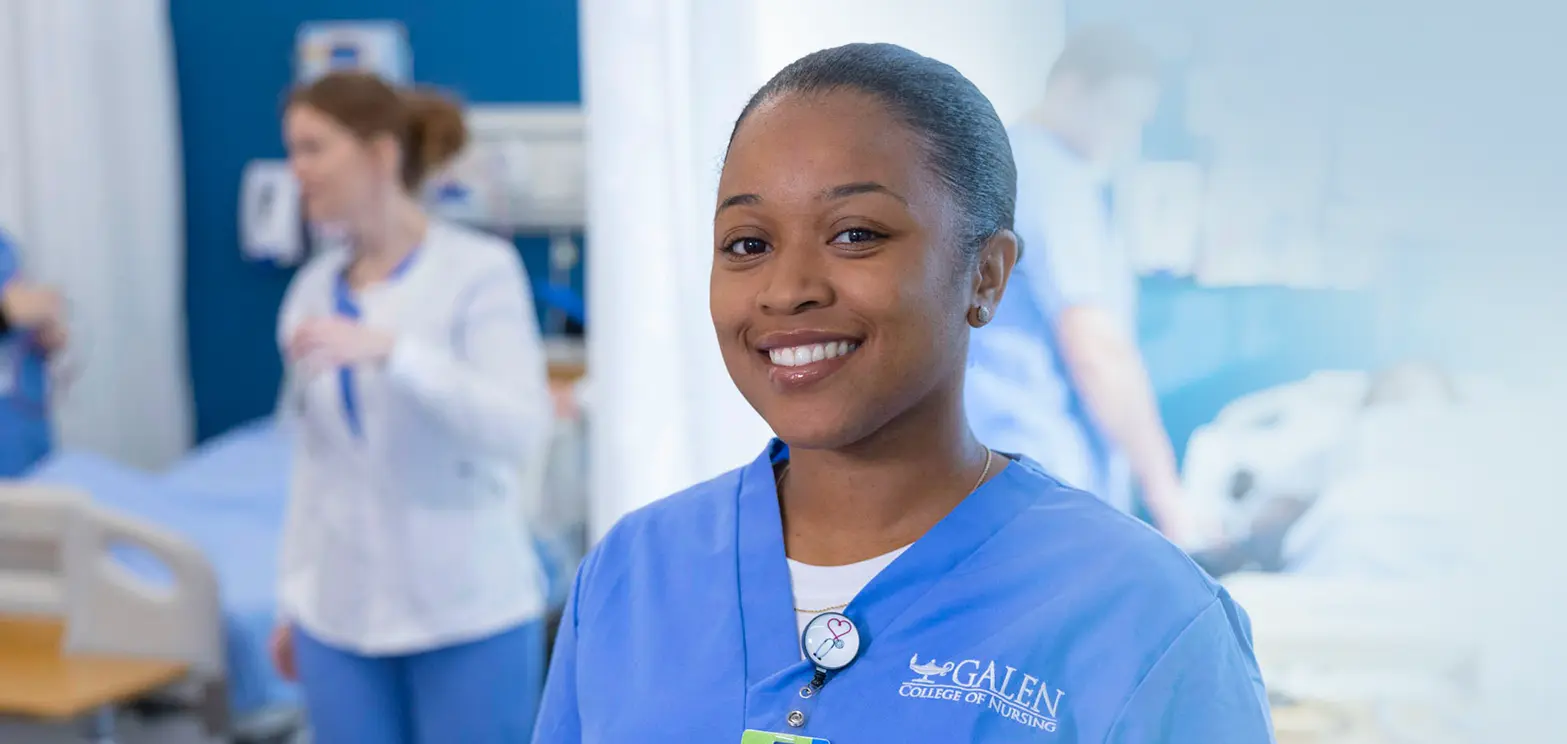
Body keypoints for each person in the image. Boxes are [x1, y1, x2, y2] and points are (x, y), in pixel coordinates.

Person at [534, 43, 1273, 743]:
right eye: (748, 244)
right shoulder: (634, 574)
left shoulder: (1141, 614)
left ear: (986, 276)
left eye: (855, 234)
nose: (788, 290)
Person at [268, 72, 552, 744]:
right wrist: (292, 599)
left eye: (313, 148)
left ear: (380, 154)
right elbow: (314, 466)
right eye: (292, 150)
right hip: (337, 617)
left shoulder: (479, 272)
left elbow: (517, 426)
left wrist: (395, 354)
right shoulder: (310, 292)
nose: (296, 170)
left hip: (467, 612)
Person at [963, 27, 1200, 544]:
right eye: (1118, 115)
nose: (1122, 138)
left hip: (995, 467)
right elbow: (1096, 348)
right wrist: (1167, 496)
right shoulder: (1052, 179)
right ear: (1070, 88)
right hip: (1040, 473)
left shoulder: (995, 168)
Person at [0, 228, 68, 476]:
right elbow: (9, 311)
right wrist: (5, 315)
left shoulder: (4, 246)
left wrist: (43, 332)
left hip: (24, 439)